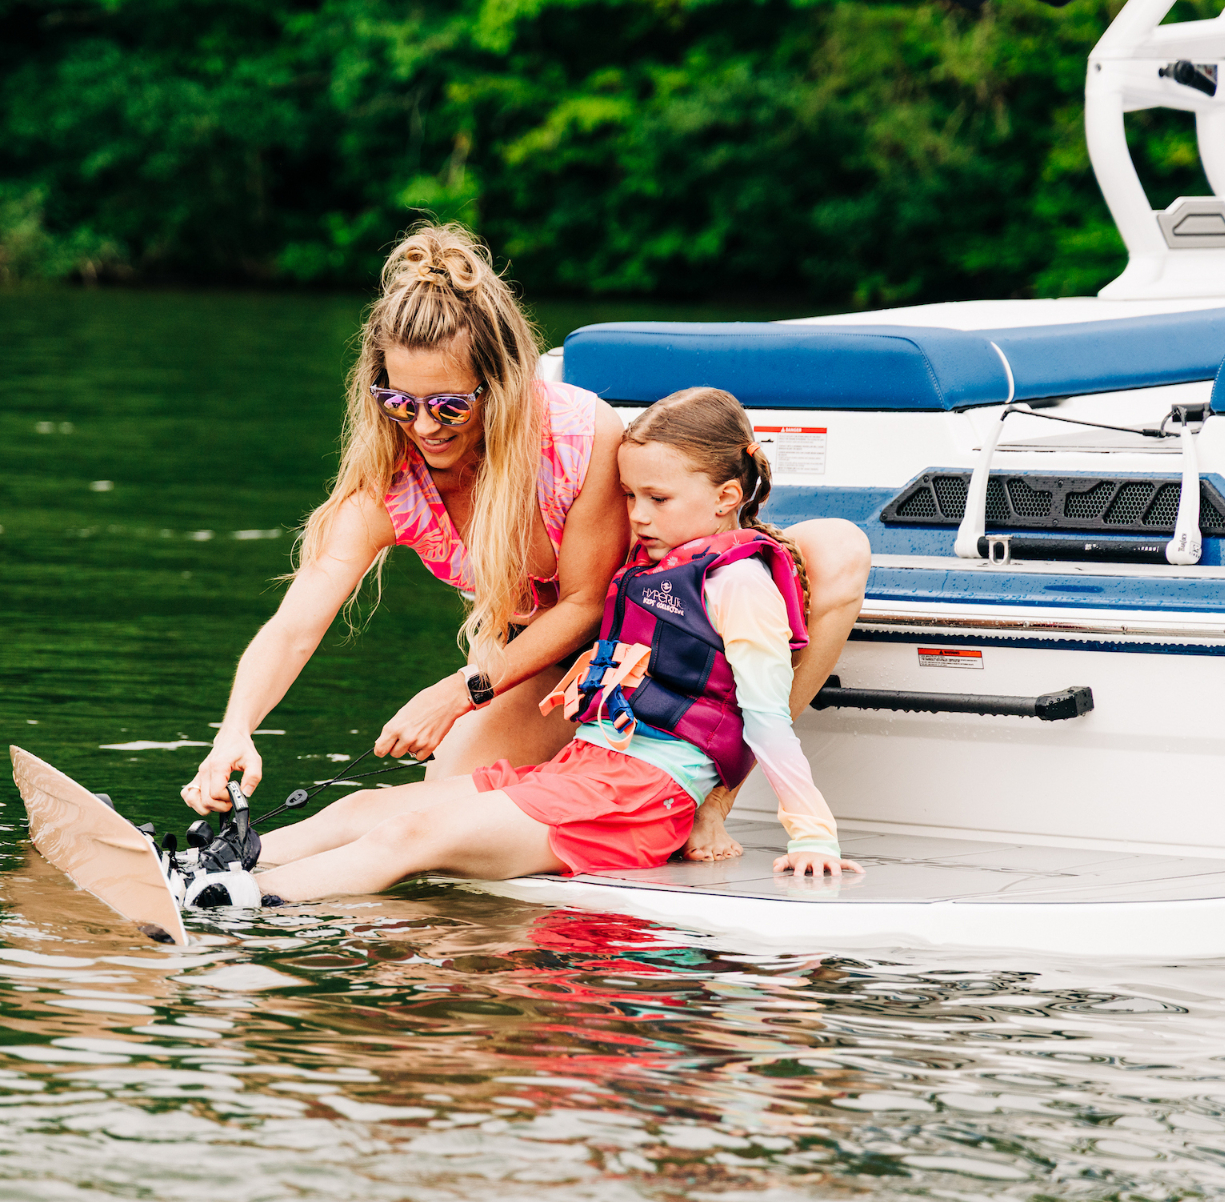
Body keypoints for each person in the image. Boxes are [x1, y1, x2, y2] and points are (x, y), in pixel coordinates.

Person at [183, 221, 868, 860]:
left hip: (657, 628)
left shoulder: (577, 435)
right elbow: (294, 627)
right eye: (400, 402)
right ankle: (233, 865)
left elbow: (586, 602)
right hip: (549, 662)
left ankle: (715, 800)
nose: (424, 427)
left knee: (837, 551)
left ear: (501, 383)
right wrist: (235, 730)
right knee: (441, 812)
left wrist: (460, 690)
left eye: (450, 405)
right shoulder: (388, 489)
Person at [172, 386, 862, 908]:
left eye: (656, 498)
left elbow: (764, 717)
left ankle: (234, 901)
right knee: (365, 810)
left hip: (642, 797)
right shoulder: (657, 564)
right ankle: (197, 865)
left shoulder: (738, 583)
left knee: (410, 838)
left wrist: (811, 834)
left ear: (727, 496)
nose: (637, 515)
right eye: (629, 496)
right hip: (589, 767)